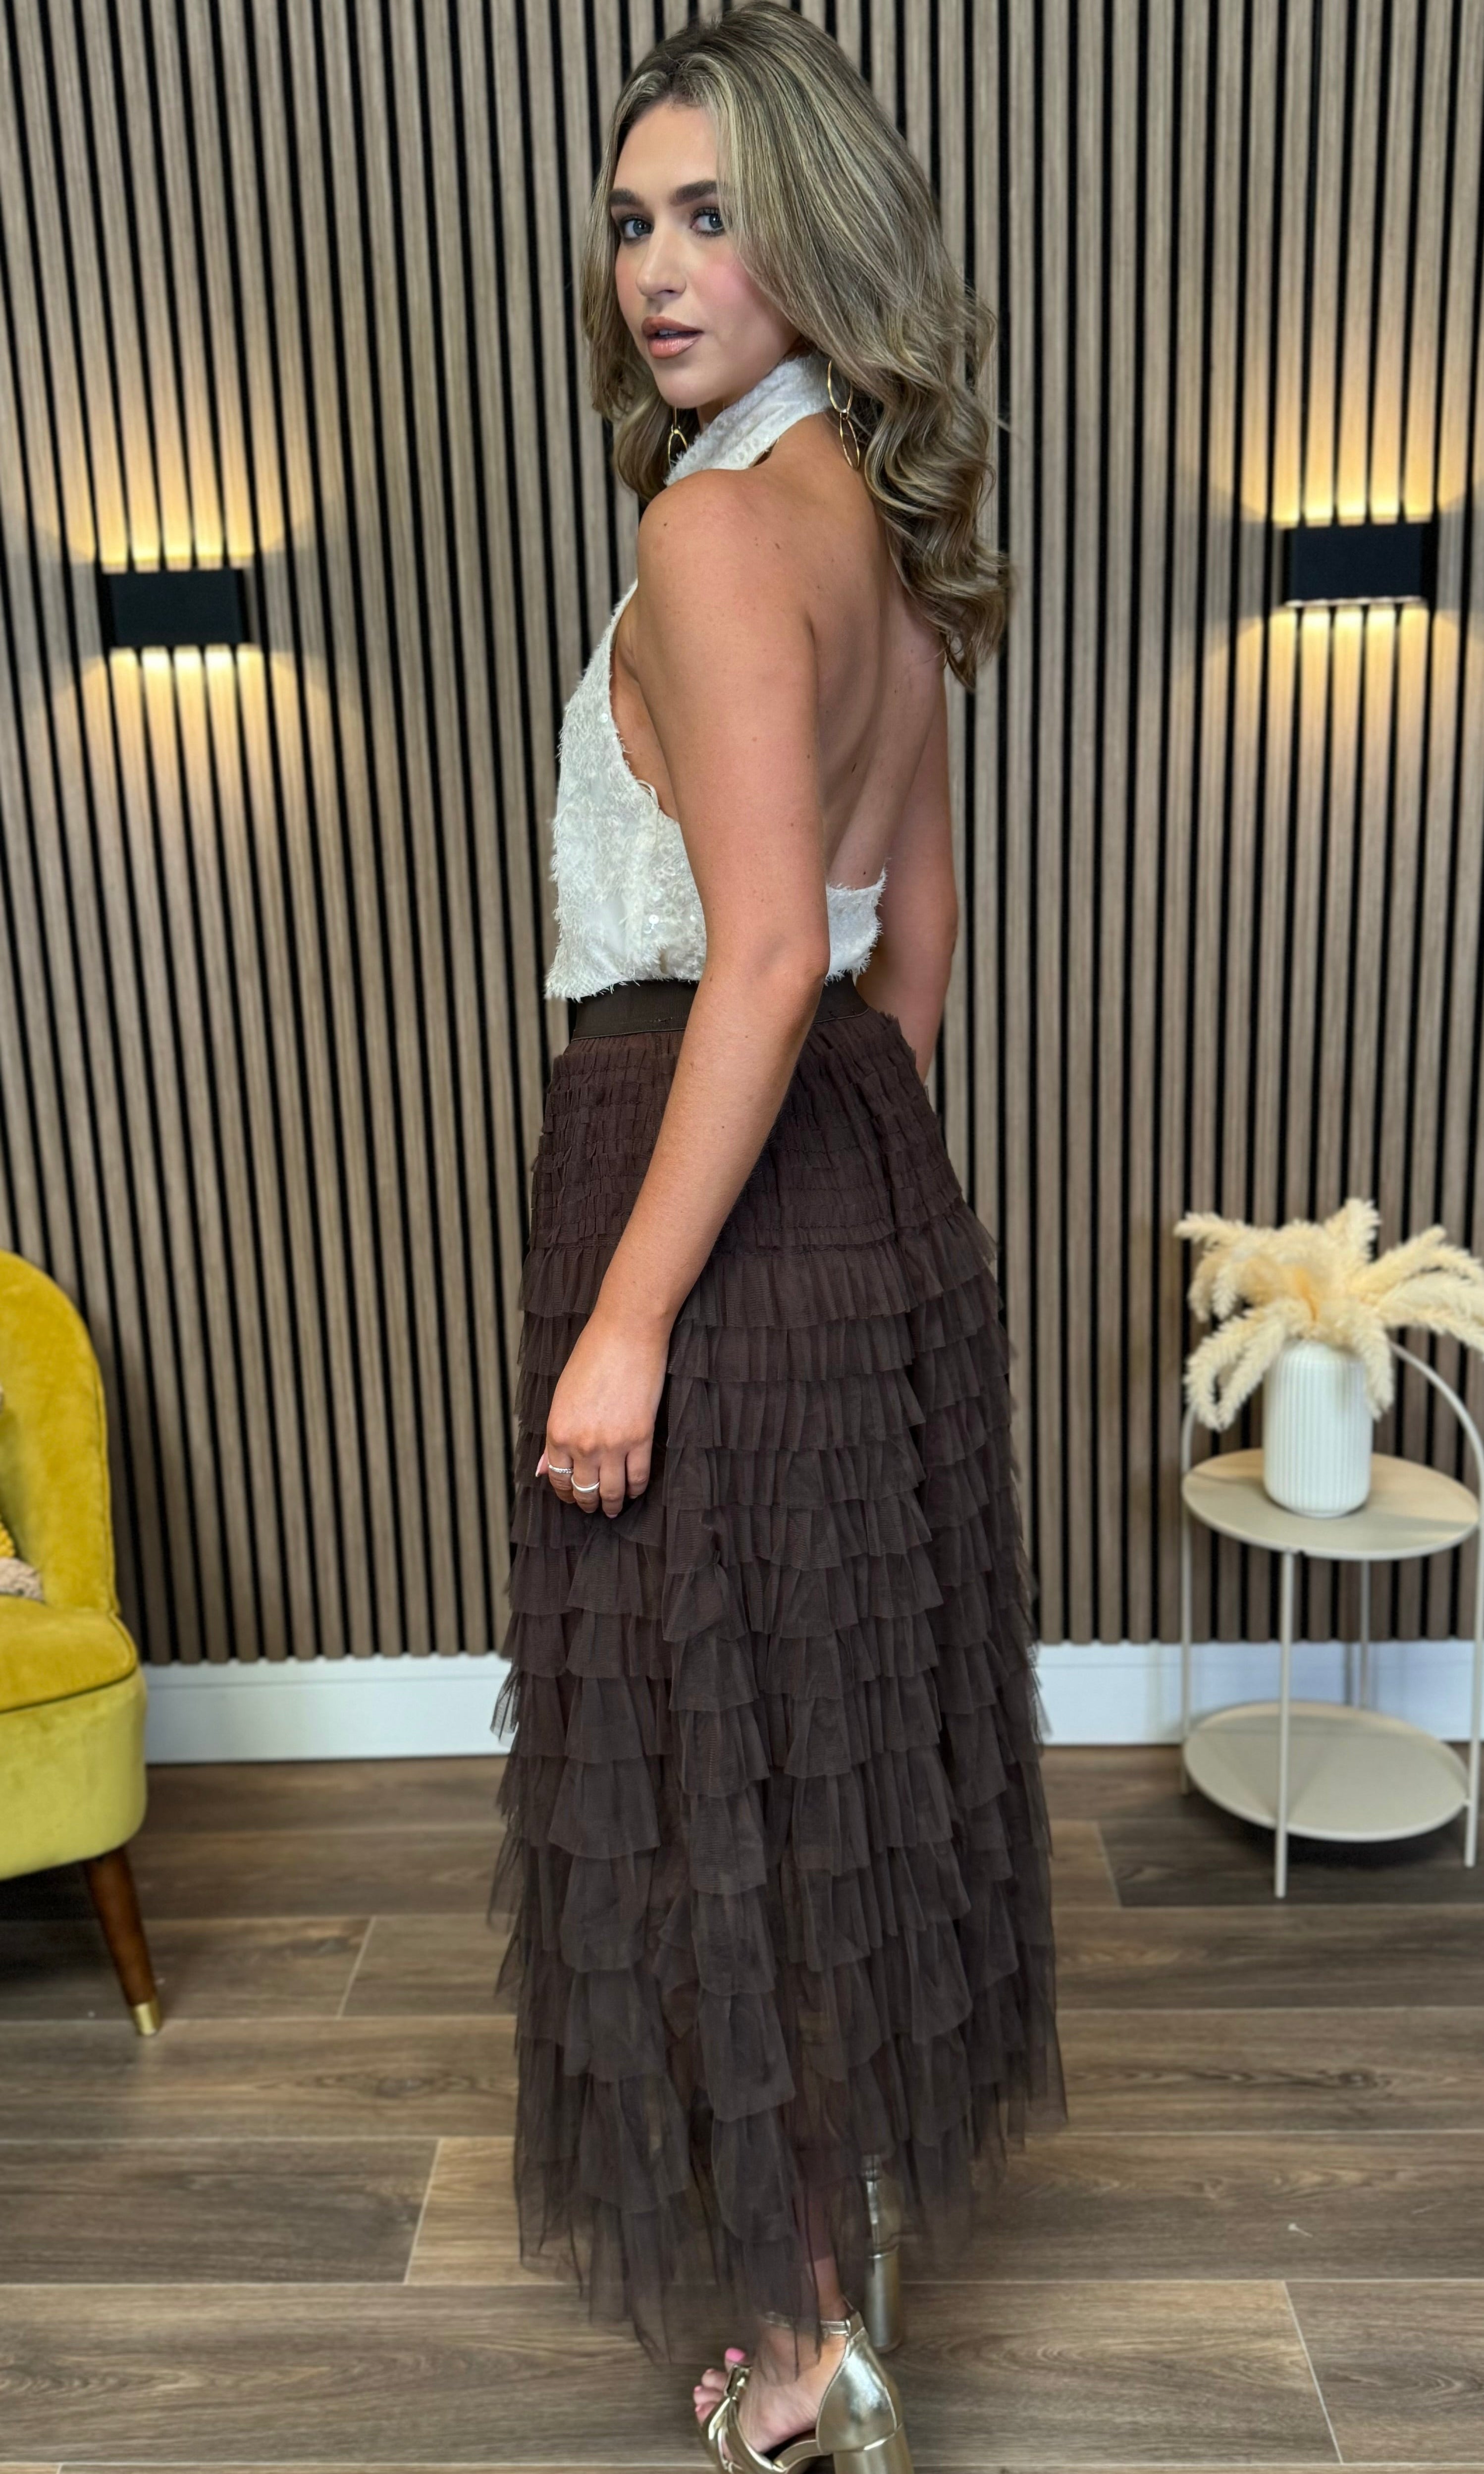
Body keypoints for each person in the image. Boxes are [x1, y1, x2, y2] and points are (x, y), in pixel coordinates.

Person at [488, 7, 1066, 2467]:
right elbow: (896, 973)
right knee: (817, 1737)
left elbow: (749, 959)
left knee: (705, 1765)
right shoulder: (888, 555)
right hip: (839, 1177)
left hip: (685, 1163)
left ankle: (811, 2349)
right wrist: (842, 1225)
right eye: (631, 220)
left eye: (711, 217)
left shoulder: (713, 534)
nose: (654, 267)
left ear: (812, 238)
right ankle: (846, 2245)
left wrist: (632, 1319)